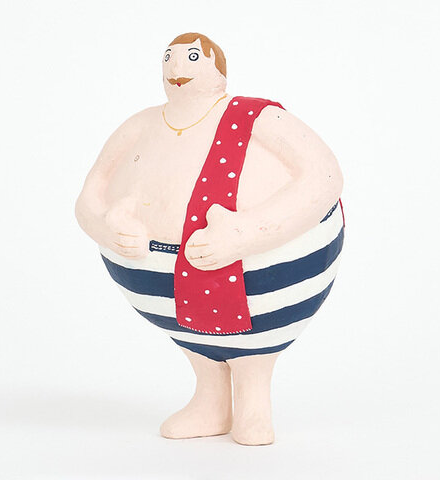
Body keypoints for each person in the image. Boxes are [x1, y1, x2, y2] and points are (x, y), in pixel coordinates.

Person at [75, 32, 344, 445]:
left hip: (260, 268)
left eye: (192, 57)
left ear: (218, 70)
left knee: (254, 348)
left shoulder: (257, 117)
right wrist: (104, 227)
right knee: (199, 349)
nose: (176, 68)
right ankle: (211, 402)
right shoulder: (140, 124)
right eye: (169, 57)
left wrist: (245, 233)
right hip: (158, 283)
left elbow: (324, 175)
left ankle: (254, 405)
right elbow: (89, 196)